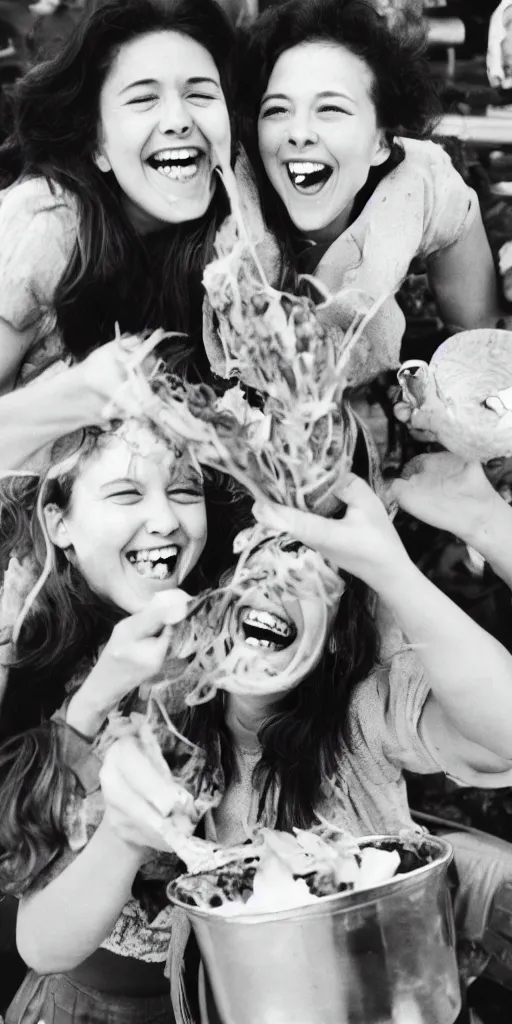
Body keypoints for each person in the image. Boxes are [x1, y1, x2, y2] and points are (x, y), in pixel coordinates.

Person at [0, 413, 246, 1024]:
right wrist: (101, 692)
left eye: (185, 491)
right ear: (59, 524)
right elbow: (18, 871)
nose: (165, 519)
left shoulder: (246, 632)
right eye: (126, 493)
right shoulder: (22, 652)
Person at [203, 0, 502, 388]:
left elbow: (486, 364)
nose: (299, 132)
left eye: (330, 109)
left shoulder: (425, 189)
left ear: (381, 141)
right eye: (277, 110)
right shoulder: (219, 201)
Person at [0, 0, 235, 401]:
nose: (179, 120)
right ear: (97, 146)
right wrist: (78, 399)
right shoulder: (46, 221)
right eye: (144, 99)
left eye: (199, 94)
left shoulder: (234, 239)